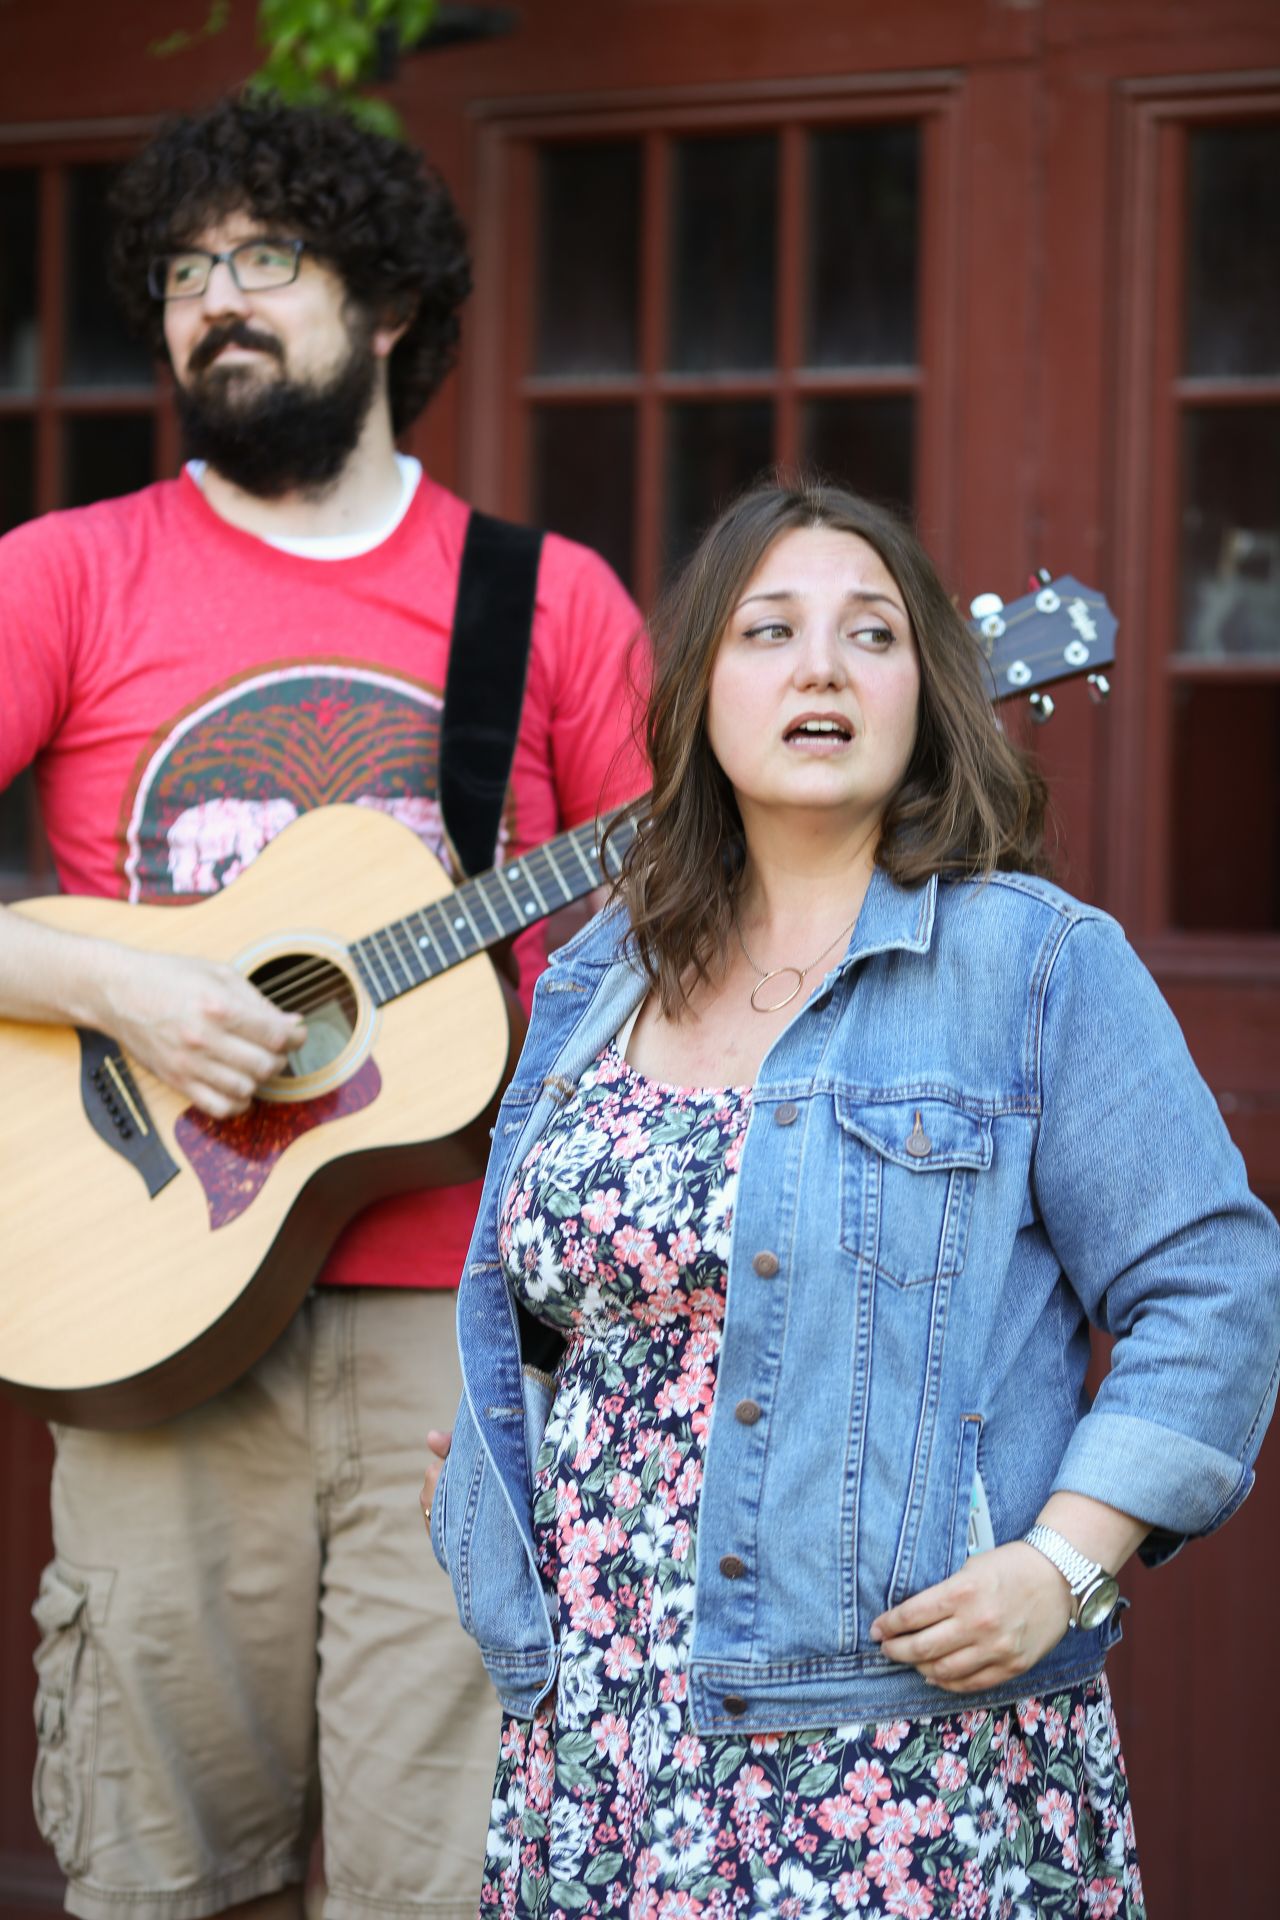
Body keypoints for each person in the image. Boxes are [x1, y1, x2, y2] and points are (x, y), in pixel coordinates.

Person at [421, 476, 1280, 1918]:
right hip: (598, 1736)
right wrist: (495, 1470)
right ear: (699, 695)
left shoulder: (1036, 964)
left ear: (926, 694)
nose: (820, 666)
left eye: (869, 635)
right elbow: (562, 1301)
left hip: (898, 1747)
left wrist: (1064, 1563)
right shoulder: (596, 978)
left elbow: (1215, 1292)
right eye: (769, 631)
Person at [0, 96, 645, 1920]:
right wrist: (114, 979)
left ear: (385, 308)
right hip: (146, 1301)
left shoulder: (551, 604)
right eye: (187, 268)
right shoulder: (63, 574)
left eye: (265, 258)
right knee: (159, 1878)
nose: (218, 299)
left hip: (466, 1331)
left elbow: (677, 927)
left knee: (441, 1884)